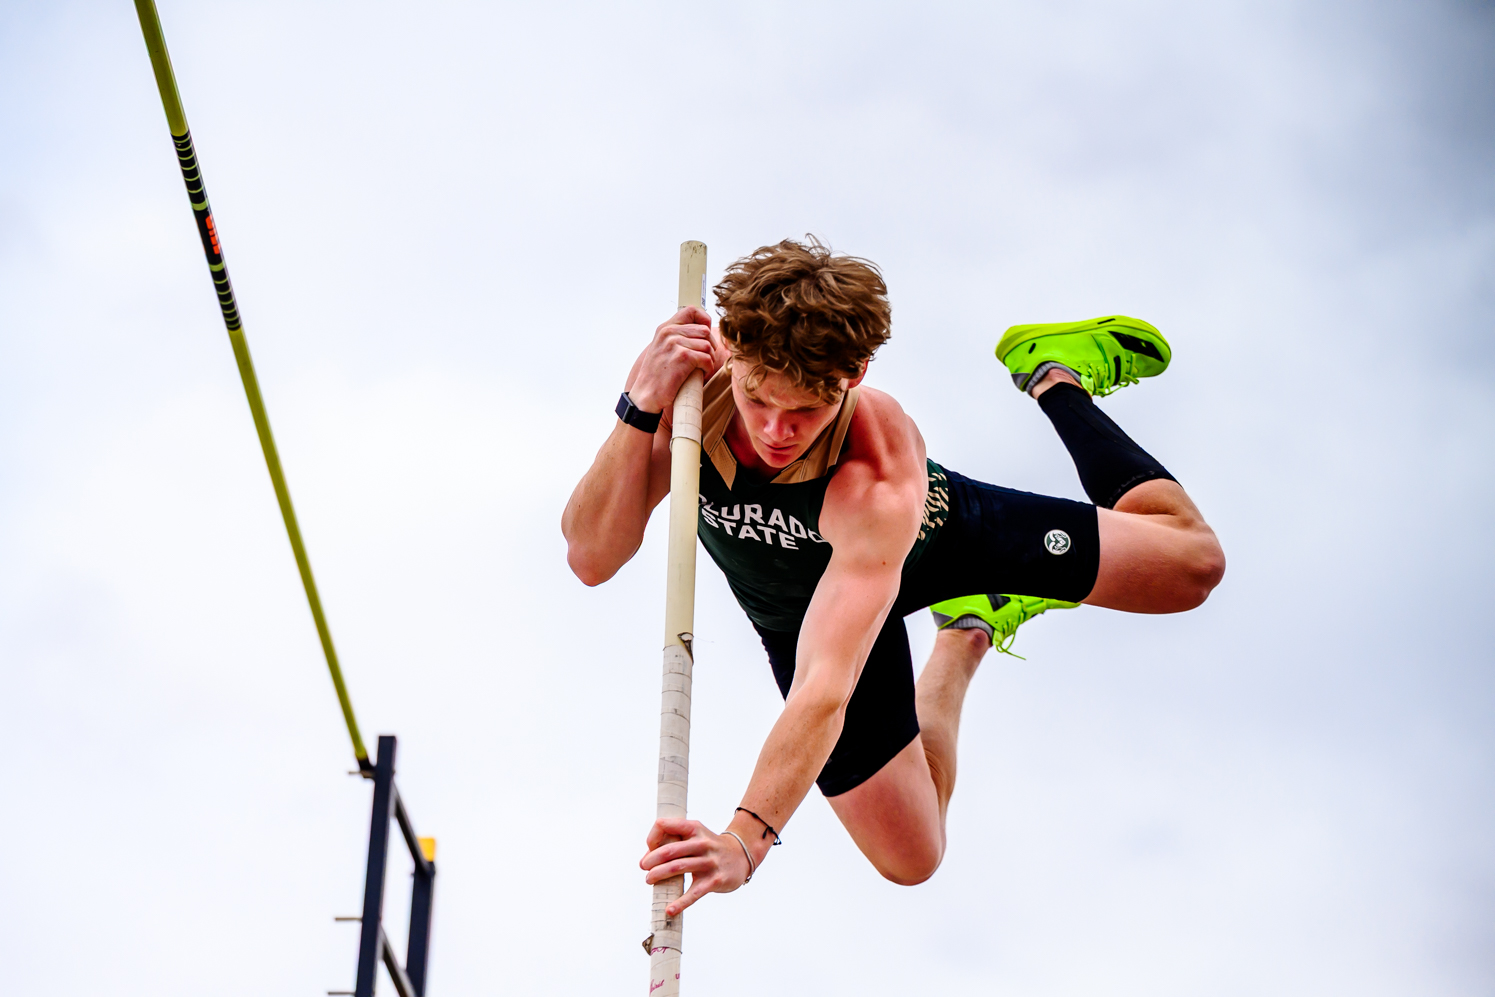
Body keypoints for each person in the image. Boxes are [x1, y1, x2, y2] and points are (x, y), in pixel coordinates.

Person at [561, 238, 1224, 916]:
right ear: (733, 344)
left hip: (933, 540)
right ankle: (968, 628)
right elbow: (590, 556)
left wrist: (743, 841)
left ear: (854, 373)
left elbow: (826, 685)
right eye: (760, 399)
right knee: (913, 855)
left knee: (1191, 567)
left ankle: (1052, 376)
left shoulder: (872, 473)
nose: (776, 430)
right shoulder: (691, 396)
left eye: (805, 412)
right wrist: (637, 405)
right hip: (801, 614)